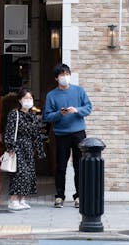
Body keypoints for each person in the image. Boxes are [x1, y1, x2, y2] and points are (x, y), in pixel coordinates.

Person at [42, 63, 92, 208]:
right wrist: (59, 113)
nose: (65, 77)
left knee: (79, 165)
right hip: (61, 134)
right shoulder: (51, 95)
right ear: (56, 78)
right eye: (62, 75)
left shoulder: (79, 91)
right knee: (60, 167)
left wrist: (76, 110)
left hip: (78, 133)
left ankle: (79, 196)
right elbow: (47, 116)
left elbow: (88, 108)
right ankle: (59, 196)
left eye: (67, 74)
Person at [4, 88, 45, 211]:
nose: (28, 100)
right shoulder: (14, 114)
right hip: (17, 147)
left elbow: (36, 134)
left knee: (28, 174)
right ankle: (13, 200)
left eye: (30, 98)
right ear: (19, 100)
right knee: (19, 174)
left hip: (28, 147)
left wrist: (40, 149)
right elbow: (10, 132)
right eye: (26, 98)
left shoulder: (33, 116)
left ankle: (22, 199)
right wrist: (11, 147)